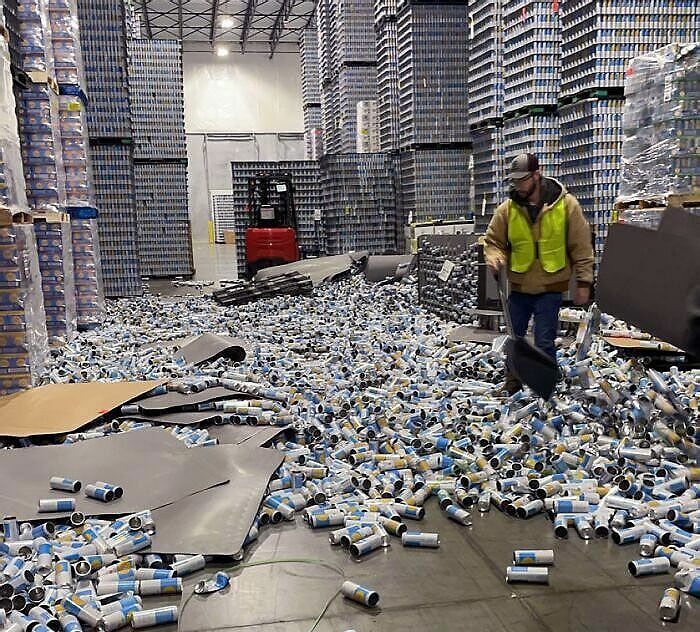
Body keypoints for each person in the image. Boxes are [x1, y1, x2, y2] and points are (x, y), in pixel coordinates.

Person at [484, 153, 594, 394]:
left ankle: (545, 388)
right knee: (515, 339)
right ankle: (512, 385)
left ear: (536, 175)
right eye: (514, 181)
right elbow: (493, 241)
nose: (518, 186)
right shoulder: (507, 210)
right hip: (520, 287)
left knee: (545, 342)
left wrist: (584, 282)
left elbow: (582, 246)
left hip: (550, 288)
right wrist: (494, 257)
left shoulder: (566, 206)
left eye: (522, 180)